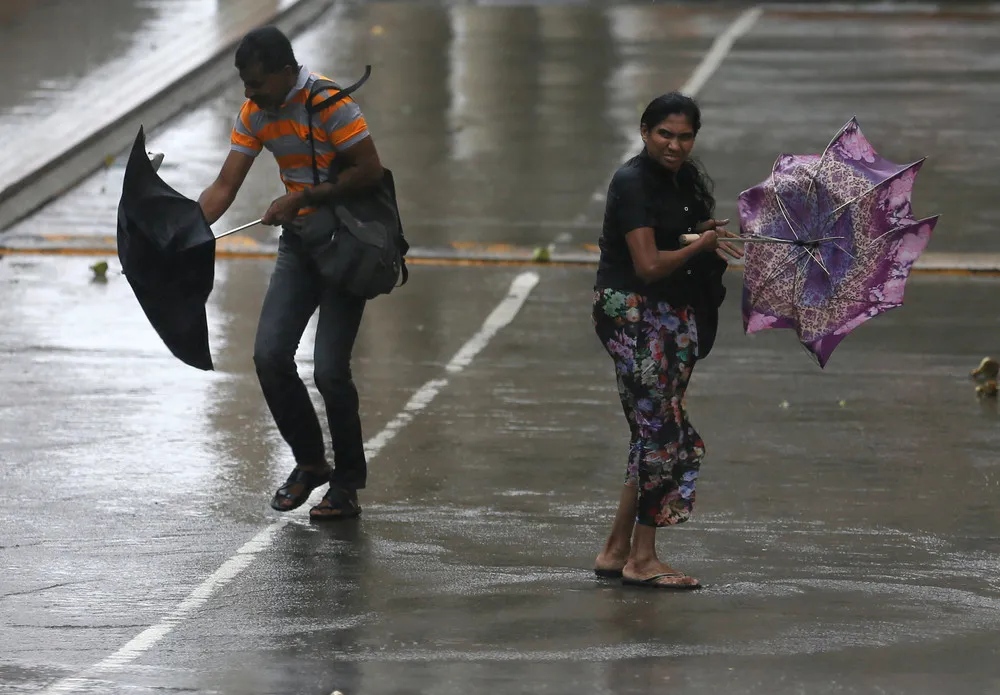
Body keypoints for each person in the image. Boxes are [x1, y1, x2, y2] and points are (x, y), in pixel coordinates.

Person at [197, 26, 385, 520]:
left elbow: (369, 170)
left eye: (257, 82)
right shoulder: (255, 113)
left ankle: (346, 484)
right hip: (300, 244)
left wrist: (302, 197)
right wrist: (183, 233)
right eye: (244, 83)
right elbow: (224, 186)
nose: (249, 92)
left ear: (286, 72)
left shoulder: (330, 105)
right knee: (269, 355)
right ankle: (311, 462)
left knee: (329, 371)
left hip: (347, 244)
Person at [591, 92, 743, 589]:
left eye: (685, 136)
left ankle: (616, 550)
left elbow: (669, 234)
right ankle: (642, 560)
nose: (674, 145)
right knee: (662, 435)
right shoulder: (632, 181)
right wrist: (700, 247)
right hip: (635, 314)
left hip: (671, 316)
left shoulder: (681, 180)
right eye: (664, 134)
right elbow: (648, 265)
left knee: (651, 432)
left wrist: (699, 231)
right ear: (644, 131)